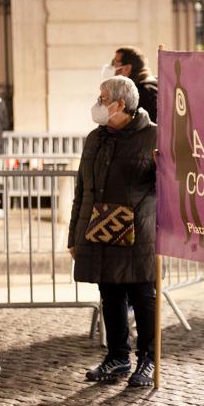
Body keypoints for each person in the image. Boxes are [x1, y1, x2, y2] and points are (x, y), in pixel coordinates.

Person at [68, 76, 157, 387]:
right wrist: (74, 236)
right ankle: (118, 356)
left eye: (103, 98)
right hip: (100, 229)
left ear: (121, 104)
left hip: (139, 233)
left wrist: (167, 168)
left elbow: (171, 189)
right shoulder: (96, 138)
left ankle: (148, 358)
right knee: (110, 293)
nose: (98, 102)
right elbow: (82, 190)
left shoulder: (154, 137)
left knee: (143, 296)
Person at [106, 46, 158, 123]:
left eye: (115, 62)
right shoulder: (152, 83)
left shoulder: (143, 91)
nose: (112, 66)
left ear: (127, 68)